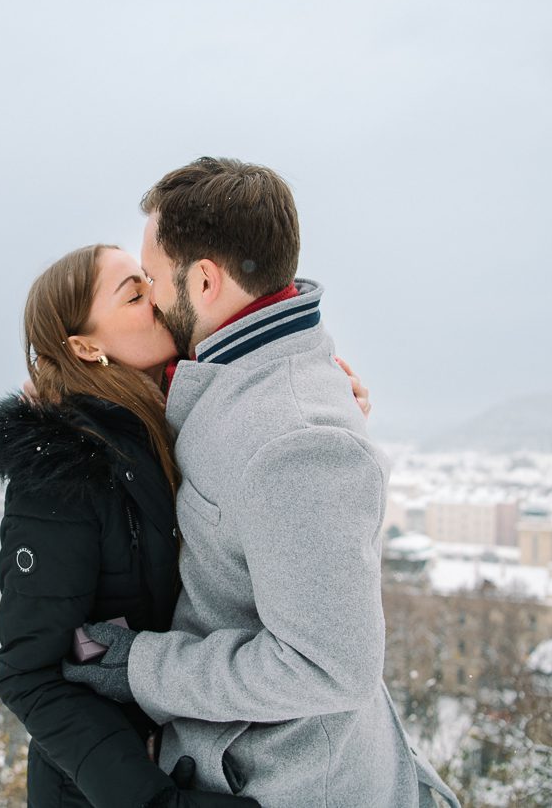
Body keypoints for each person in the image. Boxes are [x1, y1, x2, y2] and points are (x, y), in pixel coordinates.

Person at [63, 157, 460, 808]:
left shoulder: (300, 440)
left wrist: (140, 666)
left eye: (155, 280)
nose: (153, 299)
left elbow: (326, 665)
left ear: (207, 280)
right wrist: (64, 388)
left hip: (290, 788)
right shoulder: (244, 370)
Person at [0, 244, 262, 807]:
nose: (158, 299)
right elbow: (30, 675)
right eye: (134, 293)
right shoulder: (63, 469)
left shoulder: (175, 420)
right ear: (85, 346)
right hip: (100, 788)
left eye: (150, 281)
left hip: (189, 748)